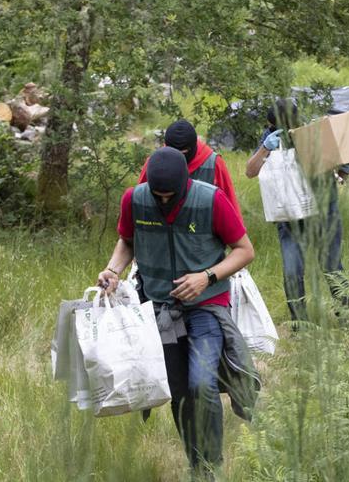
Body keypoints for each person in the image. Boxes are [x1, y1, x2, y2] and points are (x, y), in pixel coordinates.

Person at [97, 147, 258, 470]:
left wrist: (206, 277)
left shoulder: (210, 200)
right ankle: (196, 464)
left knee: (202, 382)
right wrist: (113, 272)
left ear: (185, 184)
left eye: (170, 196)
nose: (164, 201)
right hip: (158, 309)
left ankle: (212, 464)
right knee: (180, 390)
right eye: (158, 196)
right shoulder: (135, 199)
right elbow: (127, 241)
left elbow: (244, 250)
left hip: (205, 305)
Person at [245, 99, 349, 323]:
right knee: (292, 270)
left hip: (322, 213)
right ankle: (300, 325)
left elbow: (343, 163)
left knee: (332, 266)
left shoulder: (311, 134)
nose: (279, 131)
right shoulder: (270, 138)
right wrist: (265, 147)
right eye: (274, 127)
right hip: (289, 216)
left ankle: (345, 316)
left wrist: (330, 162)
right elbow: (250, 171)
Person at [139, 119, 243, 221]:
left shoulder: (214, 164)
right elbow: (140, 200)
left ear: (193, 147)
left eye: (183, 153)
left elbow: (231, 206)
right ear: (166, 146)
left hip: (203, 232)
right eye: (175, 152)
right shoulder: (154, 164)